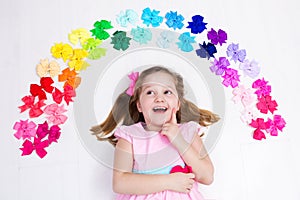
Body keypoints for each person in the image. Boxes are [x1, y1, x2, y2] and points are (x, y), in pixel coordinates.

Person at [91, 66, 219, 199]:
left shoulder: (188, 133)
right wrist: (169, 182)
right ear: (139, 105)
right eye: (150, 92)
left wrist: (178, 140)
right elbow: (120, 183)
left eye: (167, 92)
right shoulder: (130, 137)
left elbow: (207, 176)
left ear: (178, 104)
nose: (159, 98)